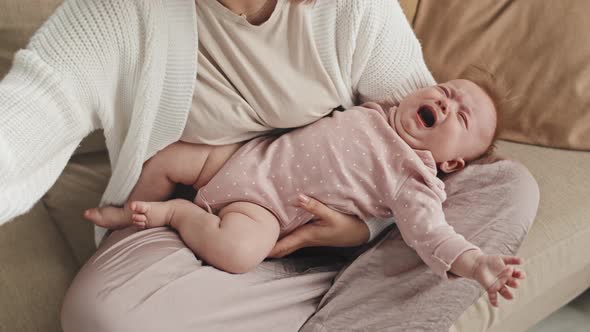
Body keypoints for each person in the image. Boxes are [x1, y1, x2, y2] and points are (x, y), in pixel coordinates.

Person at [0, 0, 538, 330]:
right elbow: (38, 106)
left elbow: (427, 153)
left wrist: (356, 229)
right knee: (103, 318)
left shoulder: (352, 9)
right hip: (201, 211)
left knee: (509, 186)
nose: (444, 102)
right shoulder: (119, 12)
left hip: (328, 230)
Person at [83, 78, 524, 307]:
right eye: (445, 92)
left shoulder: (415, 179)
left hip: (260, 208)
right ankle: (128, 217)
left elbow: (432, 234)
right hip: (242, 155)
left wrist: (476, 263)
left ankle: (176, 213)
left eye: (460, 118)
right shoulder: (379, 106)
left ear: (451, 164)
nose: (445, 104)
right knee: (166, 157)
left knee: (239, 252)